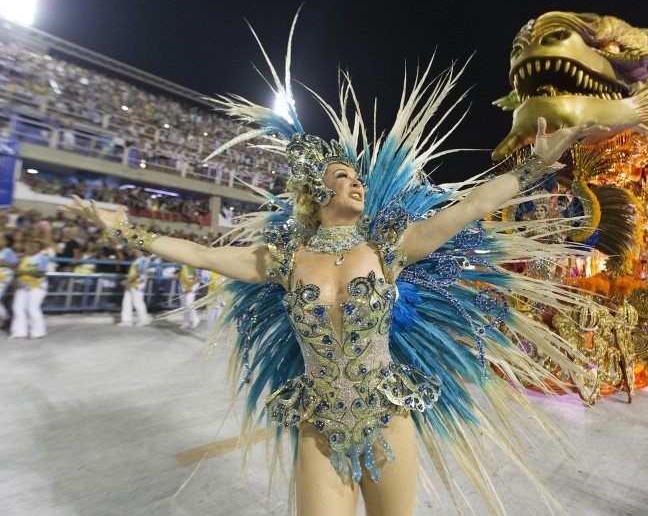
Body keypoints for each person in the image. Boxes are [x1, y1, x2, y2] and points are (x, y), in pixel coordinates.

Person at [60, 41, 606, 516]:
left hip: (387, 414)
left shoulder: (389, 247)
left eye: (358, 178)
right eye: (343, 177)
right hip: (318, 424)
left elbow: (467, 208)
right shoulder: (284, 259)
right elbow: (200, 254)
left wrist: (534, 167)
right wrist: (127, 231)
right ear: (317, 194)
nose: (356, 184)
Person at [9, 239, 51, 339]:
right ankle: (19, 332)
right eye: (31, 246)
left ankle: (38, 332)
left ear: (39, 249)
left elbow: (41, 273)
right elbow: (16, 271)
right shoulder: (24, 258)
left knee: (32, 309)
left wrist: (24, 273)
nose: (32, 248)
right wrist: (17, 277)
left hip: (37, 287)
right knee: (17, 308)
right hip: (22, 286)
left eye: (35, 247)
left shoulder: (42, 258)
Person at [118, 249, 151, 326]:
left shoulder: (144, 260)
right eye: (135, 250)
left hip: (138, 285)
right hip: (132, 283)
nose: (135, 252)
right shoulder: (137, 260)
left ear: (141, 252)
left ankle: (144, 319)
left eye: (137, 251)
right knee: (126, 301)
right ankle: (127, 320)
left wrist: (127, 281)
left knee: (138, 302)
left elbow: (140, 272)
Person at [0, 233, 19, 324]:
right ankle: (5, 317)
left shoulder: (8, 251)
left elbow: (15, 265)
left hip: (3, 277)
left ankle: (6, 318)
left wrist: (4, 263)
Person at [177, 264, 201, 329]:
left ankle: (195, 319)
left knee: (188, 303)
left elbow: (198, 277)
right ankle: (186, 322)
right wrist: (175, 276)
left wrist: (190, 286)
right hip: (182, 285)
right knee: (184, 305)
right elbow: (180, 273)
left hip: (192, 284)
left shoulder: (194, 263)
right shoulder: (181, 263)